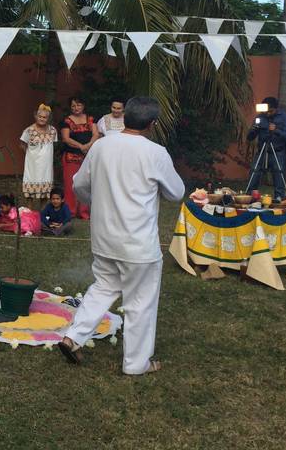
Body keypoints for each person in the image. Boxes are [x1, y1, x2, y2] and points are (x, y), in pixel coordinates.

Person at [57, 96, 185, 375]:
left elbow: (79, 185)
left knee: (103, 287)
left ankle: (73, 337)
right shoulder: (156, 152)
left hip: (104, 237)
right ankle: (136, 364)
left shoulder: (101, 145)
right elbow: (177, 192)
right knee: (140, 303)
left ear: (124, 116)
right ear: (152, 124)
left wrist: (96, 200)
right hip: (138, 245)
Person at [246, 96, 286, 200]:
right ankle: (250, 196)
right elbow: (249, 137)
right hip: (262, 150)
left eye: (270, 111)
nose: (267, 113)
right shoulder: (260, 117)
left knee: (278, 173)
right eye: (266, 111)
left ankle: (279, 197)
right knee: (255, 171)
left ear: (276, 109)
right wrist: (254, 130)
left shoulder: (284, 117)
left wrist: (276, 130)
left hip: (277, 151)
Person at [60, 96, 98, 220]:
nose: (76, 108)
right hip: (71, 157)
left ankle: (84, 212)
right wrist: (81, 146)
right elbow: (66, 138)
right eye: (73, 106)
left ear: (83, 106)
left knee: (85, 184)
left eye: (78, 105)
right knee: (70, 185)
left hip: (88, 157)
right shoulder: (67, 121)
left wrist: (88, 145)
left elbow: (96, 134)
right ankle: (70, 212)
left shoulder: (91, 119)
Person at [20, 104, 57, 204]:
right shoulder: (29, 130)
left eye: (44, 117)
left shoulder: (53, 131)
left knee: (45, 193)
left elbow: (51, 145)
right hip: (32, 165)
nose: (42, 119)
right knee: (30, 193)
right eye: (40, 116)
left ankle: (42, 215)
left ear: (48, 118)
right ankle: (30, 216)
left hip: (46, 166)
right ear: (36, 116)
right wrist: (31, 155)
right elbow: (22, 144)